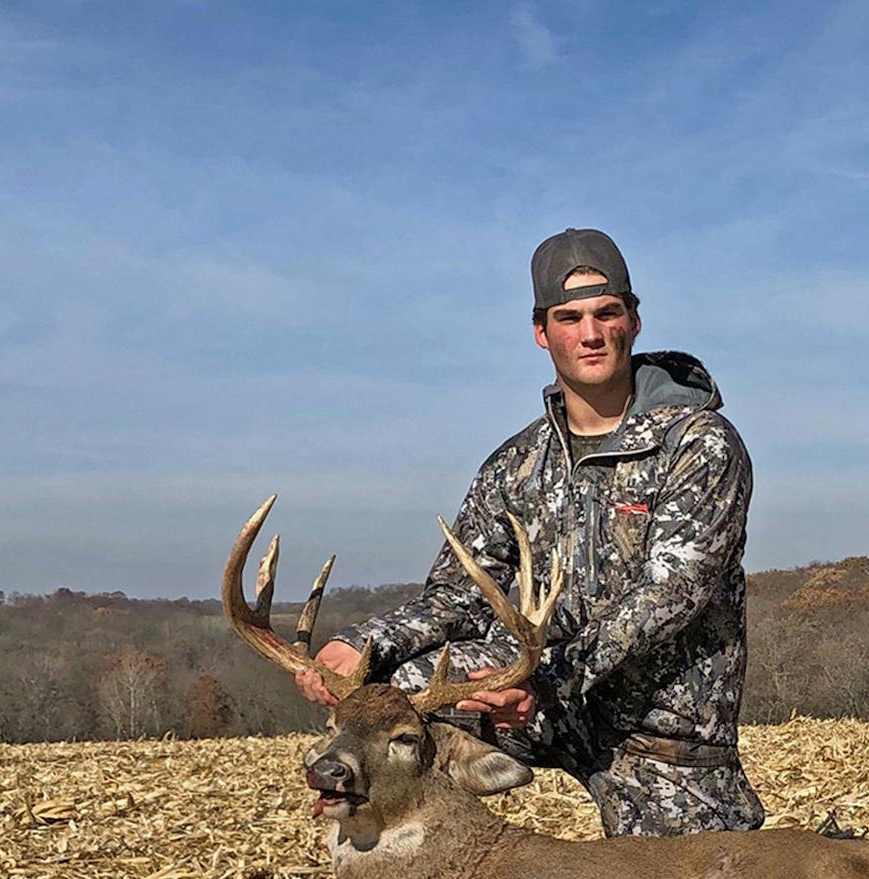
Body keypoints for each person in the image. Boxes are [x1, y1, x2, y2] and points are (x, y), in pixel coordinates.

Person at [298, 227, 764, 837]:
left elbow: (668, 599)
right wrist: (367, 643)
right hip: (540, 704)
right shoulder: (516, 464)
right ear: (542, 332)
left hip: (661, 730)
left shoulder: (699, 445)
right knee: (394, 692)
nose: (591, 334)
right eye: (569, 318)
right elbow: (458, 596)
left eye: (607, 313)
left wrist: (543, 682)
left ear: (635, 321)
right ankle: (418, 859)